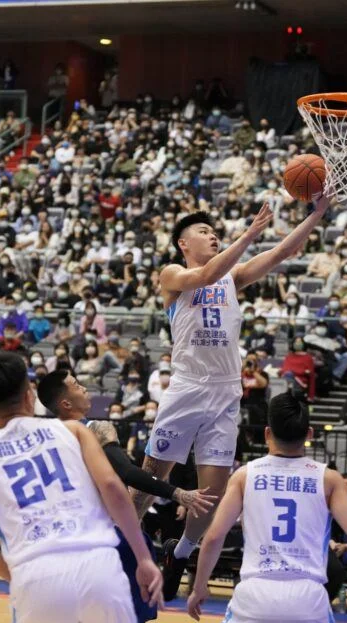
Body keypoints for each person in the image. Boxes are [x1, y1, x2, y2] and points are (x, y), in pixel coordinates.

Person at [134, 196, 331, 601]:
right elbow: (206, 274)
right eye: (204, 231)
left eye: (214, 232)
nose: (213, 236)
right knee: (151, 478)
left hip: (225, 391)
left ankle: (180, 552)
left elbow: (282, 253)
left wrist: (317, 214)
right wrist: (251, 232)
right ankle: (123, 545)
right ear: (183, 243)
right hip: (187, 387)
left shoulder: (233, 278)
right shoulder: (172, 274)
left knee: (211, 496)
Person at [0, 352, 164, 623]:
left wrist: (14, 574)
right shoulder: (75, 432)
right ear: (29, 394)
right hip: (98, 565)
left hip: (37, 573)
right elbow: (113, 487)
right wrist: (143, 557)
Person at [186, 393, 347, 623]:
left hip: (256, 592)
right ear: (309, 434)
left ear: (267, 433)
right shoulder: (328, 478)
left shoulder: (245, 475)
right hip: (307, 594)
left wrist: (199, 587)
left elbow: (213, 537)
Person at [37, 369, 217, 623]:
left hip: (66, 547)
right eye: (76, 385)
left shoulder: (45, 441)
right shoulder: (96, 429)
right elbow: (127, 472)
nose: (84, 388)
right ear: (65, 403)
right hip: (105, 545)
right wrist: (177, 493)